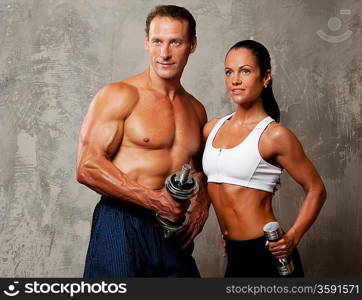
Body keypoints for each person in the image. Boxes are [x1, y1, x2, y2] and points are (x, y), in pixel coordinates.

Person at [76, 5, 210, 278]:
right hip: (121, 221)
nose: (165, 53)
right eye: (157, 41)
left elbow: (198, 169)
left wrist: (203, 205)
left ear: (192, 44)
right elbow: (87, 166)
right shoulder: (120, 94)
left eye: (175, 42)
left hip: (170, 229)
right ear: (146, 42)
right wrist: (153, 200)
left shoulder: (196, 109)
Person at [202, 40, 326, 277]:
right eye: (229, 72)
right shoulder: (212, 128)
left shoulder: (274, 135)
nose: (235, 80)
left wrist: (292, 238)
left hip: (267, 254)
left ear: (266, 76)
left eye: (245, 71)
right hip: (235, 253)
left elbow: (316, 189)